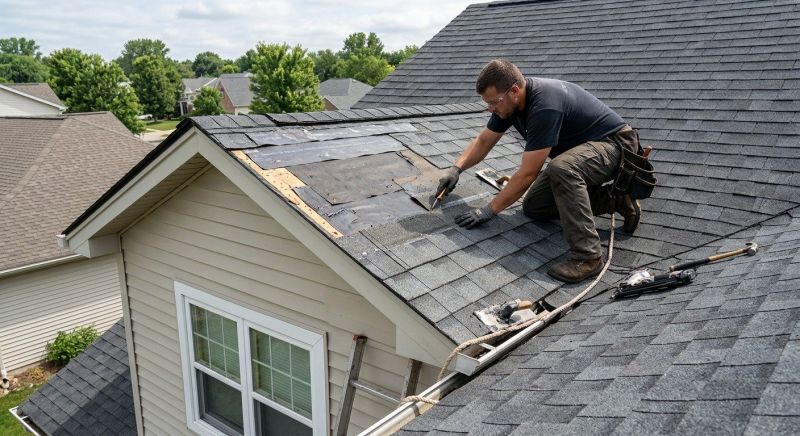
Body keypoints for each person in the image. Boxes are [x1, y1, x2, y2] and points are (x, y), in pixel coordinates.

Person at [437, 59, 641, 283]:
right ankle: (617, 200)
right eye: (488, 103)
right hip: (585, 152)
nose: (491, 109)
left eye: (494, 102)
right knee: (535, 206)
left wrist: (487, 211)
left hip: (616, 147)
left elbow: (528, 173)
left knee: (562, 168)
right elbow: (485, 141)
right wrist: (456, 169)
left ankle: (588, 257)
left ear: (514, 91)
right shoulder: (508, 105)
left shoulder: (544, 106)